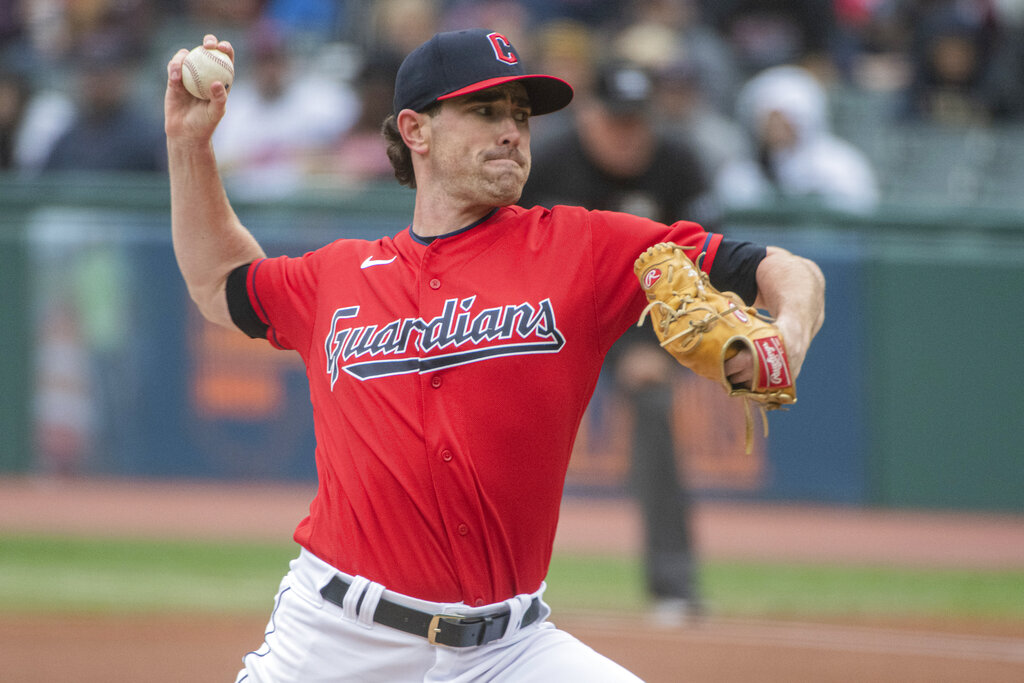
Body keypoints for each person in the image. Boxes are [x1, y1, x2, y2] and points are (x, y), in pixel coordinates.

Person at [165, 28, 825, 682]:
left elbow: (785, 269)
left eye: (519, 115)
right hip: (336, 640)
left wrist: (788, 333)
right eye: (484, 111)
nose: (512, 130)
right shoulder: (336, 276)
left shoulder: (586, 248)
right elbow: (217, 282)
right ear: (415, 131)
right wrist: (189, 142)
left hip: (509, 649)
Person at [521, 61, 715, 625]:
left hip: (639, 325)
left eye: (637, 122)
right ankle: (472, 586)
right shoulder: (547, 163)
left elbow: (704, 266)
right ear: (589, 117)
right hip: (546, 322)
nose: (627, 135)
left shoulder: (678, 164)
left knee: (654, 408)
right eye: (615, 121)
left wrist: (657, 348)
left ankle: (674, 585)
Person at [720, 64, 880, 213]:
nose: (776, 130)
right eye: (769, 121)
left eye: (785, 120)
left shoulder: (840, 166)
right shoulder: (742, 172)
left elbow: (858, 212)